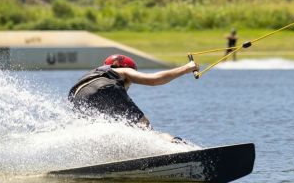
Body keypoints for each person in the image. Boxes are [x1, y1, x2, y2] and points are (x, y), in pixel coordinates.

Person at [68, 54, 198, 129]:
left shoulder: (93, 73)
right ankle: (174, 145)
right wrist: (187, 68)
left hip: (76, 96)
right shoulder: (122, 70)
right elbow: (154, 80)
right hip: (105, 88)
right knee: (143, 125)